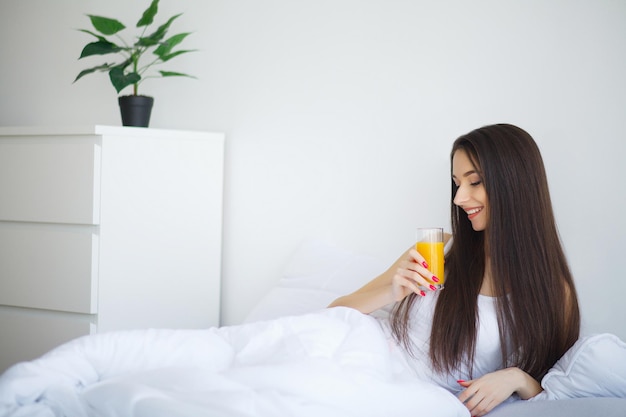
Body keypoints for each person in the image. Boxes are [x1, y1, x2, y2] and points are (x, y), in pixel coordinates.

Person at [328, 123, 580, 416]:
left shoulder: (552, 292)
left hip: (406, 396)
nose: (459, 198)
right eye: (457, 183)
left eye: (474, 182)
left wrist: (516, 377)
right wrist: (391, 291)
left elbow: (557, 392)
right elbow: (335, 311)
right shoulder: (439, 249)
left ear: (515, 187)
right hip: (358, 356)